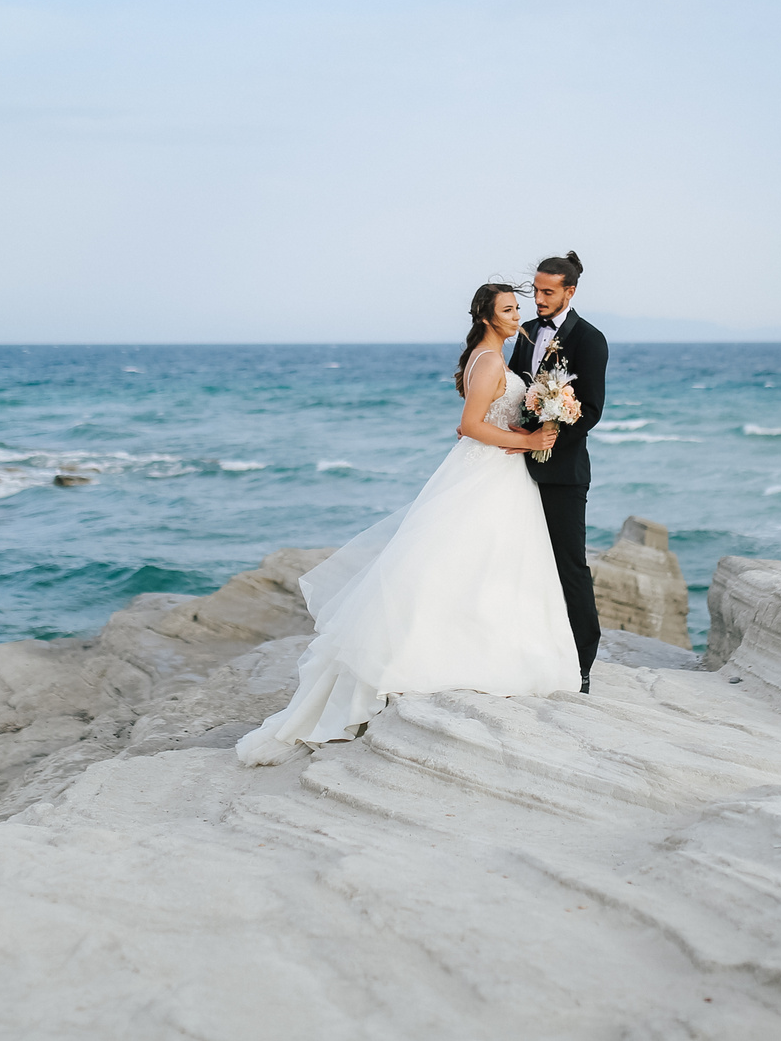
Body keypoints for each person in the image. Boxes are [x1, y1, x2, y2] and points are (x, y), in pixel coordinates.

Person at [235, 282, 581, 766]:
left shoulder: (491, 359)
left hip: (498, 471)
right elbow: (469, 425)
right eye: (507, 309)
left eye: (516, 308)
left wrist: (526, 430)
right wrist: (526, 441)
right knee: (464, 561)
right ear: (486, 318)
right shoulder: (488, 361)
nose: (515, 315)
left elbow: (487, 421)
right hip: (489, 472)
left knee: (487, 563)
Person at [507, 251, 607, 693]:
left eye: (548, 292)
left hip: (562, 471)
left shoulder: (590, 339)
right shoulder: (526, 332)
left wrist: (543, 438)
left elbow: (590, 412)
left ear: (570, 291)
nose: (539, 299)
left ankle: (581, 664)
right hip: (511, 465)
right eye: (535, 291)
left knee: (569, 566)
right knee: (519, 560)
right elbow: (514, 385)